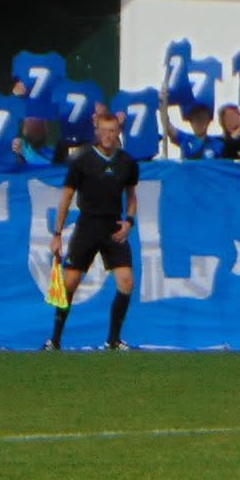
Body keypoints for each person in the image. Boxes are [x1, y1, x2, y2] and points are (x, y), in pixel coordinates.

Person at [44, 113, 140, 351]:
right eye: (104, 130)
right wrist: (57, 233)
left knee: (127, 282)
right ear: (97, 132)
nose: (108, 136)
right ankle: (54, 340)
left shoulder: (127, 162)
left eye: (113, 130)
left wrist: (129, 221)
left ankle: (113, 340)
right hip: (88, 226)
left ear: (118, 132)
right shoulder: (82, 160)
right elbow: (66, 196)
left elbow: (132, 196)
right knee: (70, 283)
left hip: (113, 228)